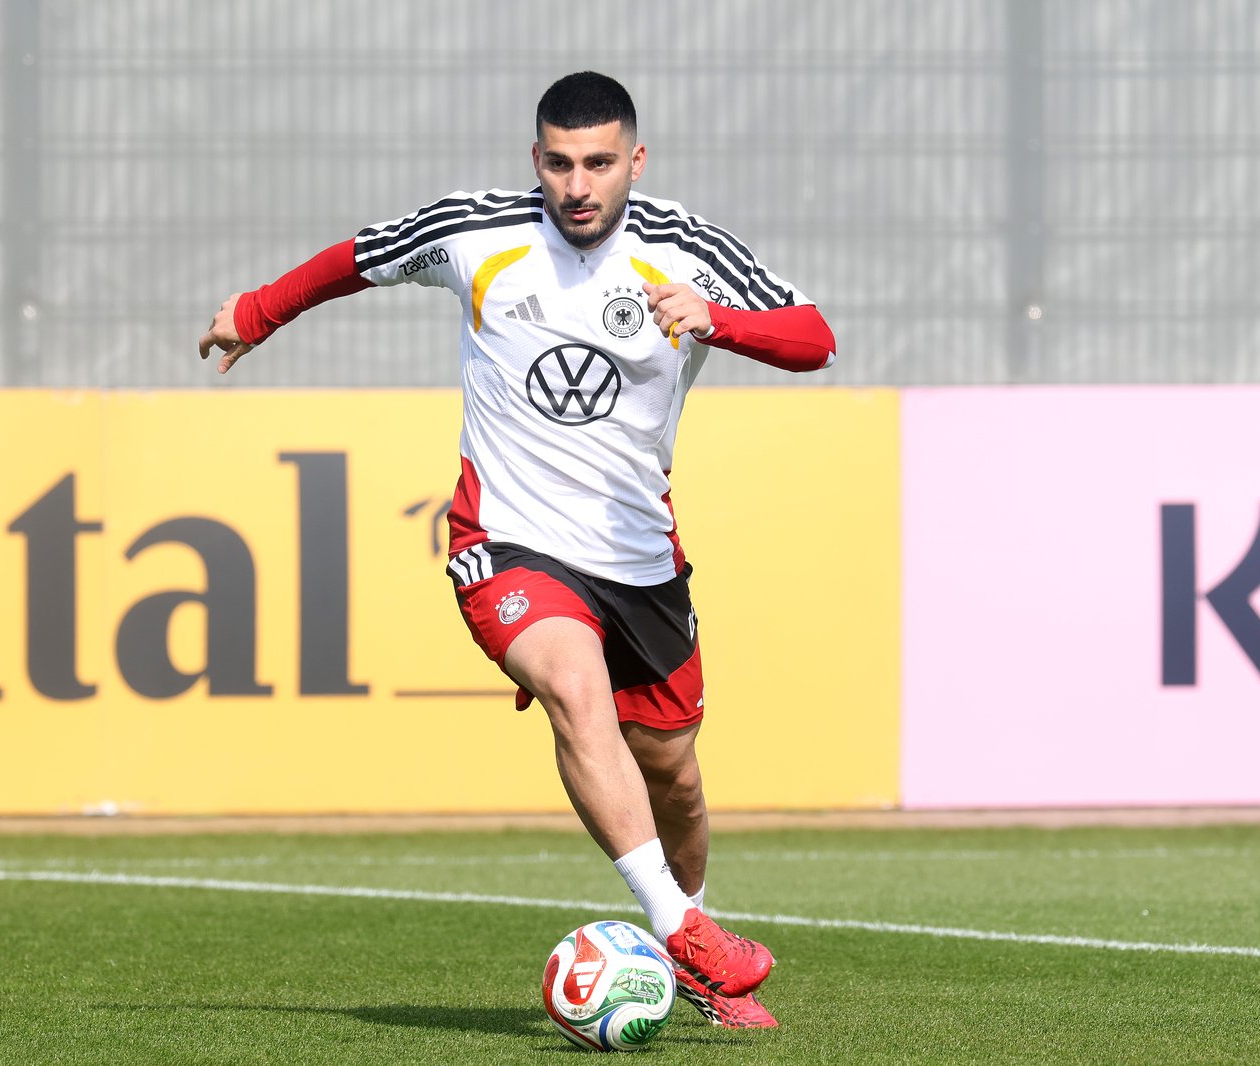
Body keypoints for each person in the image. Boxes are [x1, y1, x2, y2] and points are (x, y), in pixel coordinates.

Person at [199, 71, 835, 1029]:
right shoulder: (476, 231)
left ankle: (696, 942)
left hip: (640, 558)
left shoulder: (687, 250)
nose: (578, 185)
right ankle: (680, 927)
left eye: (599, 164)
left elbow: (816, 339)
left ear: (636, 161)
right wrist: (255, 312)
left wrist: (721, 322)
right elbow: (355, 259)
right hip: (507, 540)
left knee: (674, 774)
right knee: (574, 689)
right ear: (535, 158)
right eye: (559, 163)